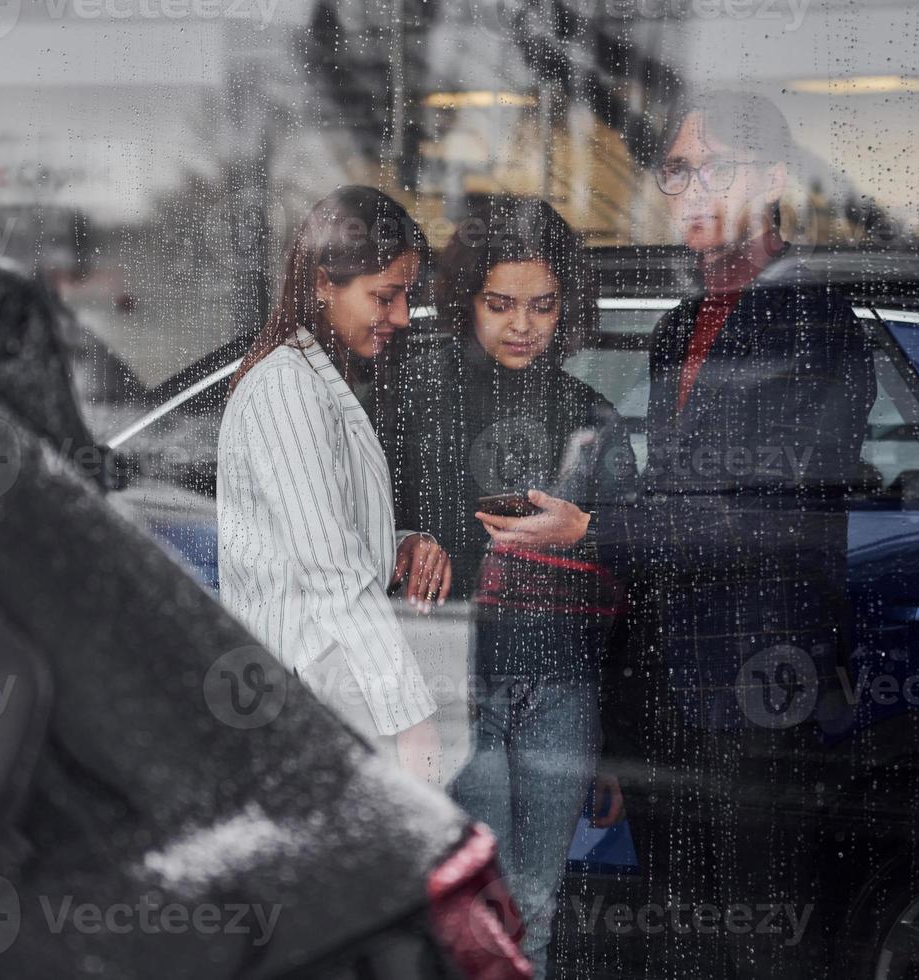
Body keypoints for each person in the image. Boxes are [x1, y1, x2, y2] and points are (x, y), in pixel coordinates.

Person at [493, 94, 876, 977]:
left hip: (758, 697)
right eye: (676, 170)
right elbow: (674, 512)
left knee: (760, 940)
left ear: (774, 182)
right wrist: (623, 729)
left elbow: (767, 516)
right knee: (679, 939)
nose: (690, 189)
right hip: (670, 701)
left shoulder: (813, 322)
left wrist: (589, 527)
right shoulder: (677, 329)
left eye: (717, 168)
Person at [378, 198, 633, 978]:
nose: (523, 324)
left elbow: (630, 580)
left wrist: (615, 744)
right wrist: (402, 541)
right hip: (457, 684)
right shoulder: (415, 396)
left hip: (563, 689)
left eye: (543, 305)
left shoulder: (591, 416)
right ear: (467, 301)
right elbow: (355, 526)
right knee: (476, 913)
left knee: (538, 909)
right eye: (500, 303)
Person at [217, 185, 451, 773]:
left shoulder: (315, 379)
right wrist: (413, 719)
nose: (400, 315)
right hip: (314, 698)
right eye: (385, 296)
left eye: (404, 296)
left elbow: (318, 541)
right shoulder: (287, 388)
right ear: (324, 283)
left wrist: (395, 547)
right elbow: (330, 574)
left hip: (326, 691)